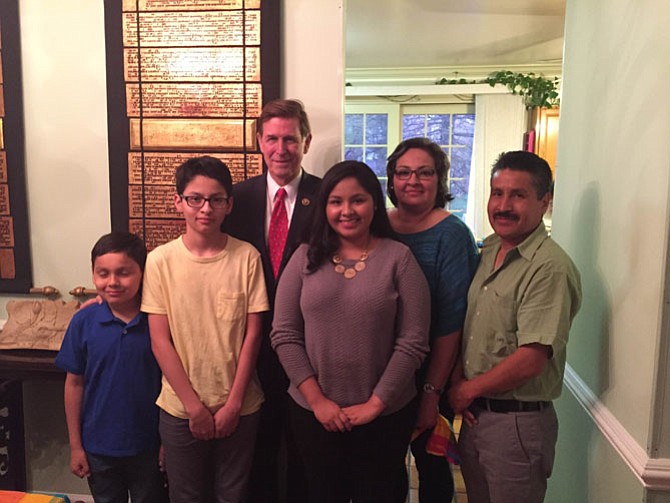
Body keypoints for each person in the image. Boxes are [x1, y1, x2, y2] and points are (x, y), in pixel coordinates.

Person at [270, 160, 430, 503]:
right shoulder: (304, 257)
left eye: (357, 200)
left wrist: (376, 403)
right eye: (336, 201)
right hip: (313, 413)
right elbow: (284, 333)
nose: (347, 211)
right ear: (324, 206)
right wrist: (318, 401)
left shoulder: (399, 259)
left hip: (384, 415)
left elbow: (413, 342)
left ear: (375, 202)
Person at [448, 151, 582, 503]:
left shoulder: (548, 267)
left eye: (518, 195)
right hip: (480, 416)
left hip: (517, 425)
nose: (503, 205)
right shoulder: (490, 248)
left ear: (545, 202)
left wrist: (466, 390)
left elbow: (531, 359)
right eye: (497, 193)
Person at [141, 156, 269, 503]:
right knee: (186, 495)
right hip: (180, 407)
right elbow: (159, 340)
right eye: (195, 198)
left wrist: (234, 403)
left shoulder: (247, 257)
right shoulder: (160, 261)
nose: (205, 209)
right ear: (178, 202)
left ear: (229, 205)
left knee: (234, 494)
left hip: (240, 405)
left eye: (216, 199)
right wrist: (193, 407)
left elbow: (253, 335)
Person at [225, 98, 320, 503]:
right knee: (255, 449)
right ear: (259, 143)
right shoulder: (235, 198)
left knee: (304, 448)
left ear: (307, 141)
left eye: (291, 139)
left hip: (308, 344)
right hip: (248, 343)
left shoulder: (327, 196)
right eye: (272, 139)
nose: (281, 149)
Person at [386, 137, 479, 503]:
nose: (413, 180)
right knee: (385, 471)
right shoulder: (379, 225)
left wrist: (431, 393)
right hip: (383, 374)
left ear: (440, 181)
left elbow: (452, 322)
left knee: (433, 469)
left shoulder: (452, 235)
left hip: (431, 374)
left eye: (425, 173)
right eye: (404, 172)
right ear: (391, 179)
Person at [56, 231, 167, 503]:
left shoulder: (159, 321)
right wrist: (76, 446)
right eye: (103, 273)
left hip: (149, 446)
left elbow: (170, 384)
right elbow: (74, 383)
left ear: (143, 273)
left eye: (124, 272)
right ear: (93, 274)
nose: (113, 282)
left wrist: (168, 443)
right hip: (98, 448)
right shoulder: (84, 321)